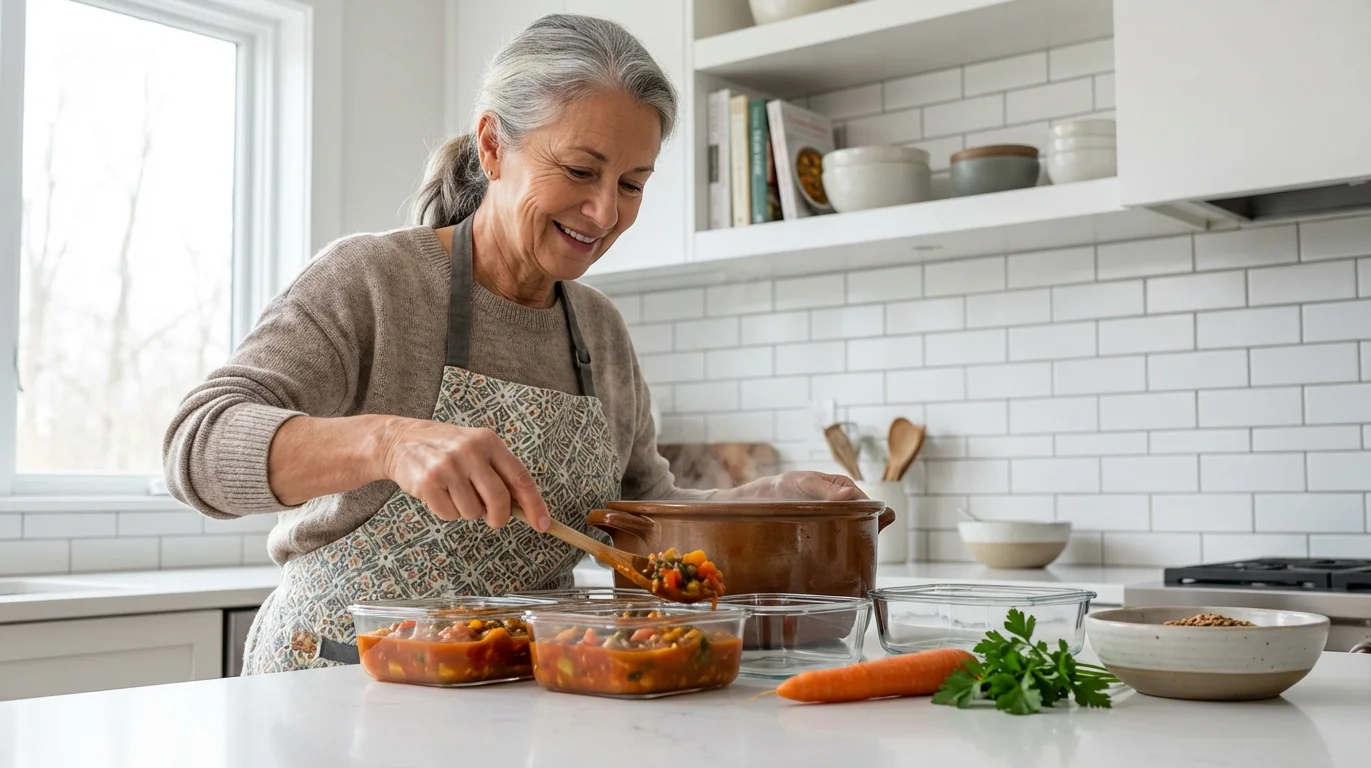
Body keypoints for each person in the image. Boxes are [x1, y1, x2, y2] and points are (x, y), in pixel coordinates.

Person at [162, 13, 861, 676]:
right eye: (581, 172)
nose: (606, 212)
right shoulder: (374, 280)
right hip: (334, 683)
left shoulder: (601, 330)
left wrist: (765, 500)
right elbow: (197, 448)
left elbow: (644, 523)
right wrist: (388, 443)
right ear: (493, 146)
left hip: (510, 691)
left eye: (632, 184)